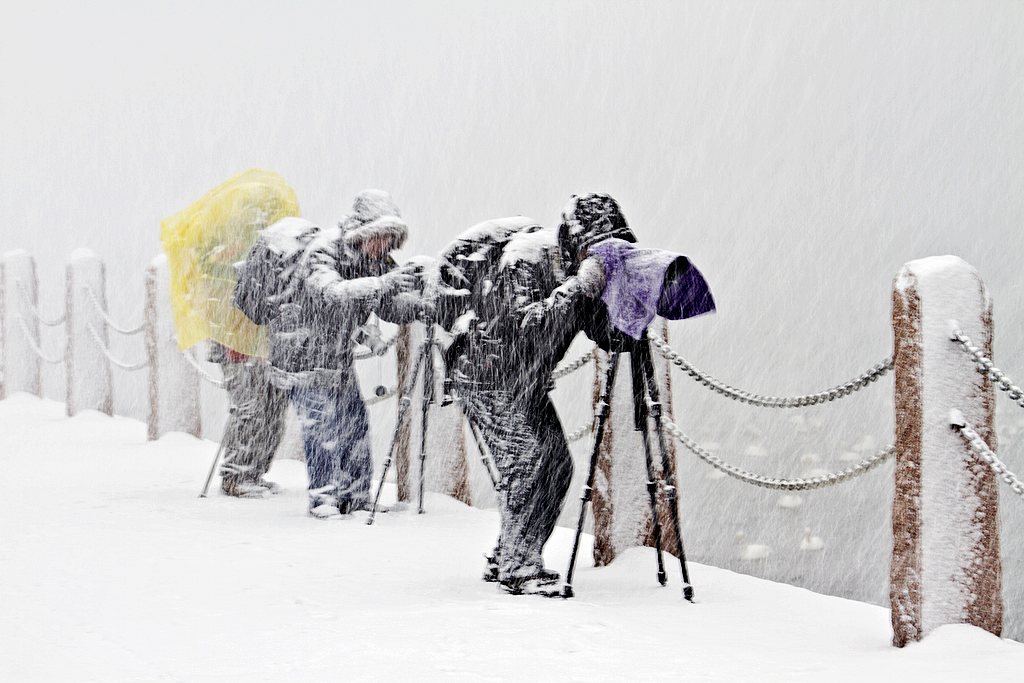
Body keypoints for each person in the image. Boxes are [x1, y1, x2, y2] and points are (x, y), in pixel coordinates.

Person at [437, 198, 648, 595]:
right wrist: (577, 287)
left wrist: (631, 311)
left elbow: (601, 332)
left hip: (524, 382)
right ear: (575, 239)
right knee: (527, 463)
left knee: (556, 465)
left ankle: (509, 554)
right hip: (487, 377)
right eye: (594, 245)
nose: (598, 255)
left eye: (609, 247)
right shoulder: (525, 259)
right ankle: (519, 567)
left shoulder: (578, 272)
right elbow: (524, 329)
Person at [266, 190, 421, 518]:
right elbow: (330, 293)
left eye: (389, 238)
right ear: (361, 231)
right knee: (320, 428)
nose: (383, 245)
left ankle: (356, 495)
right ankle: (324, 498)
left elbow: (391, 306)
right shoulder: (324, 251)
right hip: (301, 354)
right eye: (378, 236)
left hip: (336, 357)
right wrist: (385, 284)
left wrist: (428, 302)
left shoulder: (377, 263)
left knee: (354, 425)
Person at [211, 342, 289, 497]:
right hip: (238, 352)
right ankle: (235, 477)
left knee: (273, 415)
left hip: (270, 352)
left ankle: (252, 473)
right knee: (250, 413)